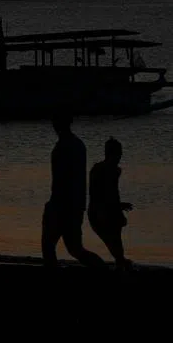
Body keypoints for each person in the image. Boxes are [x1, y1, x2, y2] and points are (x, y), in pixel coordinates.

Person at [41, 112, 106, 269]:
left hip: (63, 204)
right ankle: (102, 268)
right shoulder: (76, 144)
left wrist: (56, 204)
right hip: (72, 205)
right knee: (74, 249)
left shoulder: (67, 145)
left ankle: (102, 268)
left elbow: (64, 179)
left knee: (52, 246)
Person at [89, 137, 134, 271]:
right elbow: (102, 195)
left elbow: (110, 195)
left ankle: (120, 262)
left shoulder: (106, 170)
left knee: (114, 242)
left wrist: (118, 206)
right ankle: (120, 262)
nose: (119, 158)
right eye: (118, 154)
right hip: (100, 212)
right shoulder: (108, 171)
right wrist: (118, 207)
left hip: (103, 211)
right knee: (114, 241)